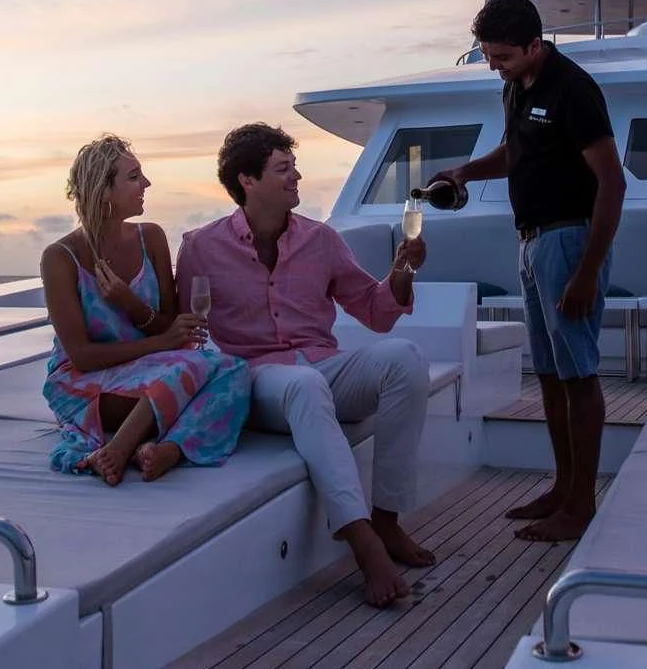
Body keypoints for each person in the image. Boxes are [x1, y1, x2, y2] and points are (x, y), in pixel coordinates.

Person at [177, 123, 432, 607]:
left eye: (294, 167)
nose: (296, 176)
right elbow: (186, 329)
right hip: (255, 381)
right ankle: (363, 544)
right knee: (302, 386)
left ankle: (387, 520)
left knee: (405, 358)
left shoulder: (322, 240)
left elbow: (377, 314)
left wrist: (402, 268)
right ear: (247, 181)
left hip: (320, 366)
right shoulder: (200, 247)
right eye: (283, 169)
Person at [430, 0, 624, 543]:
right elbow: (516, 151)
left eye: (503, 57)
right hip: (531, 241)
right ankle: (562, 488)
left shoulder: (574, 90)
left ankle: (581, 506)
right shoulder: (516, 87)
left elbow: (612, 183)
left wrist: (587, 272)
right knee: (548, 373)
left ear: (535, 45)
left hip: (569, 241)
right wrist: (466, 170)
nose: (494, 66)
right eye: (488, 56)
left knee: (580, 375)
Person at [41, 135, 251, 484]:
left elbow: (166, 324)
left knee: (236, 370)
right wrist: (163, 343)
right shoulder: (61, 258)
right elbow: (82, 357)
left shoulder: (150, 237)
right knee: (189, 370)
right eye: (134, 176)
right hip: (85, 383)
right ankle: (120, 449)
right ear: (104, 189)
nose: (147, 183)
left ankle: (164, 450)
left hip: (150, 370)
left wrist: (131, 303)